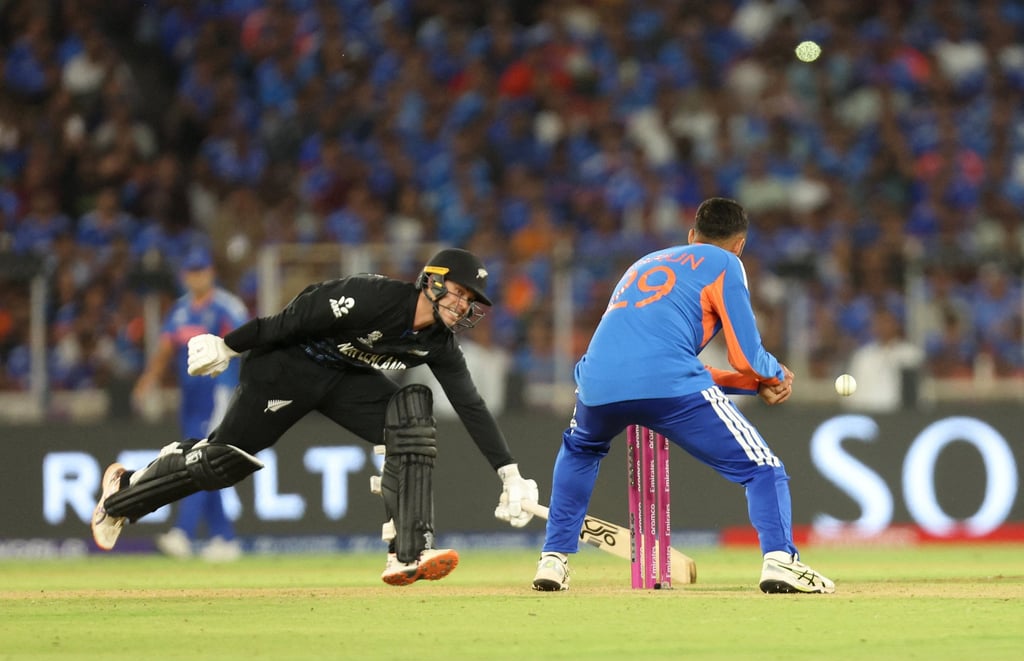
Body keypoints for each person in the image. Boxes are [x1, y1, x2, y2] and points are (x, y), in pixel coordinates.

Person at [93, 247, 539, 586]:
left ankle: (407, 550)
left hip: (342, 378)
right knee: (222, 462)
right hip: (285, 367)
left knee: (411, 414)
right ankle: (124, 494)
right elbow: (289, 321)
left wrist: (509, 474)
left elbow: (470, 404)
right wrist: (229, 346)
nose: (463, 306)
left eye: (470, 301)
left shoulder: (439, 343)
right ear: (432, 282)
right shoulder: (371, 297)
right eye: (460, 293)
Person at [531, 198, 835, 594]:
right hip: (668, 386)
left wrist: (751, 385)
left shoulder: (643, 263)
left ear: (691, 236)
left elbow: (653, 356)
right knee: (762, 468)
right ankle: (780, 561)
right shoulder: (726, 263)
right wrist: (775, 374)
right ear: (740, 244)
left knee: (581, 450)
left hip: (596, 381)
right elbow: (745, 356)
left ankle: (553, 561)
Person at [132, 245, 250, 562]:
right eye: (192, 272)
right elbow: (165, 349)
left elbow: (247, 343)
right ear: (186, 276)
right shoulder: (180, 311)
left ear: (210, 273)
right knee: (201, 460)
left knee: (198, 458)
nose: (197, 278)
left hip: (219, 392)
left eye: (202, 271)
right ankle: (224, 537)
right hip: (191, 397)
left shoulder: (227, 307)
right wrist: (148, 380)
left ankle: (183, 533)